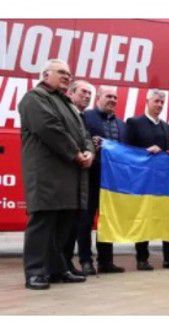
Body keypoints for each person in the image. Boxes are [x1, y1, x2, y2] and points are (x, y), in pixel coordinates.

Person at [19, 59, 92, 289]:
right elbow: (49, 128)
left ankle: (57, 269)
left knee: (63, 225)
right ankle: (35, 272)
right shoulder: (34, 98)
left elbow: (84, 133)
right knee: (42, 224)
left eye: (69, 74)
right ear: (45, 74)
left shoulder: (67, 103)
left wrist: (89, 151)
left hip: (69, 175)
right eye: (61, 72)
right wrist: (76, 153)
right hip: (46, 175)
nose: (66, 77)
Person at [125, 89, 169, 270]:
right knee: (144, 217)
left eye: (162, 103)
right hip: (142, 180)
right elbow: (127, 151)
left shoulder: (166, 126)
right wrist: (145, 151)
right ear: (147, 101)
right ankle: (142, 259)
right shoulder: (134, 122)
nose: (159, 105)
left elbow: (165, 152)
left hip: (162, 181)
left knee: (167, 216)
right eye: (156, 101)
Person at [77, 85, 127, 275]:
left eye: (115, 97)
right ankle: (85, 260)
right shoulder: (86, 117)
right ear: (98, 97)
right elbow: (80, 140)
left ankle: (106, 261)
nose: (113, 100)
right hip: (90, 177)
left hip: (112, 182)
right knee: (85, 220)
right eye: (109, 96)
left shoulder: (122, 125)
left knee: (107, 221)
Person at [62, 80, 93, 276]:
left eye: (90, 93)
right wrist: (77, 154)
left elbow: (87, 139)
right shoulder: (66, 112)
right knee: (64, 225)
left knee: (74, 223)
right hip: (66, 175)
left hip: (81, 176)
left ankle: (66, 264)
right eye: (83, 92)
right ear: (71, 93)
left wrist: (90, 152)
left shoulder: (83, 117)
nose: (87, 96)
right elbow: (61, 136)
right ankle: (60, 265)